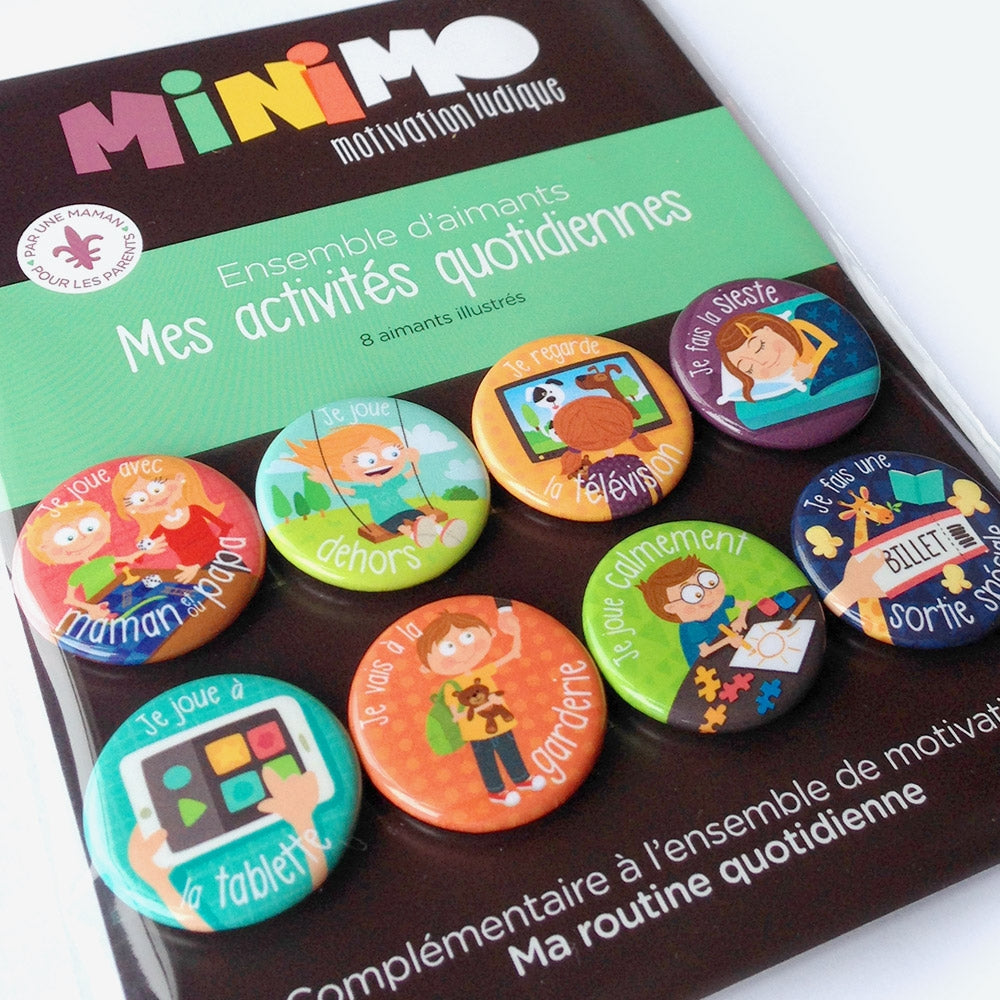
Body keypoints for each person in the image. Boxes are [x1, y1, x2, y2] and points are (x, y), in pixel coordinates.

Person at [416, 602, 545, 807]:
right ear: (426, 666)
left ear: (490, 633)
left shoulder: (482, 673)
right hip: (476, 732)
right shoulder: (452, 686)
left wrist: (517, 632)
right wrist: (473, 710)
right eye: (448, 648)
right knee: (486, 761)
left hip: (501, 723)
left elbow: (513, 654)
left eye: (468, 637)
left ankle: (522, 779)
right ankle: (496, 791)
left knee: (509, 750)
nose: (462, 651)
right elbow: (455, 712)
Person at [286, 423, 465, 547]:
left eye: (392, 453)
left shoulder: (391, 483)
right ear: (343, 467)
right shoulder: (366, 490)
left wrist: (415, 460)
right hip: (384, 518)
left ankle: (443, 532)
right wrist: (327, 480)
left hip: (405, 509)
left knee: (419, 517)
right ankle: (415, 536)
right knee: (400, 526)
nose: (381, 463)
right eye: (366, 459)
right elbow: (341, 491)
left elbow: (413, 472)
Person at [112, 456, 232, 584]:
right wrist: (111, 564)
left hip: (223, 563)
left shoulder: (195, 510)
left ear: (179, 479)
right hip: (190, 575)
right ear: (131, 509)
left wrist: (198, 565)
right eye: (140, 499)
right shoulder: (161, 528)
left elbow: (226, 528)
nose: (153, 499)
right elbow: (138, 559)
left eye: (157, 489)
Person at [637, 555, 752, 667]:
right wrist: (728, 640)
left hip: (732, 649)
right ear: (672, 608)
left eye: (710, 582)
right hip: (707, 667)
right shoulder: (692, 626)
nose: (708, 593)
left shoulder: (715, 603)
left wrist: (741, 619)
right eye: (692, 594)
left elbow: (745, 603)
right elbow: (705, 651)